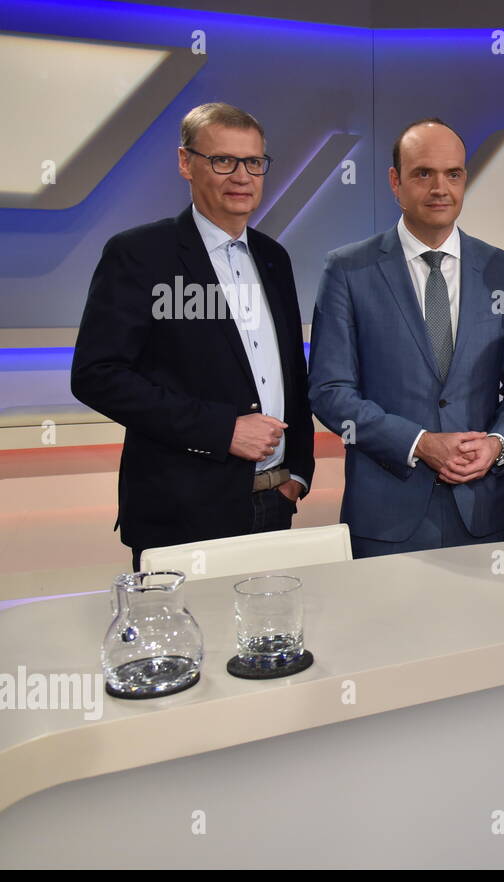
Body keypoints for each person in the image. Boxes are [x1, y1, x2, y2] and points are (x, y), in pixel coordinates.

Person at [71, 103, 314, 571]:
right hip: (181, 513)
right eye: (223, 160)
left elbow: (288, 373)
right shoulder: (139, 254)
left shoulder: (273, 257)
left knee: (265, 643)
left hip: (274, 503)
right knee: (187, 644)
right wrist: (222, 430)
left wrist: (298, 472)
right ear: (186, 163)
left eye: (254, 162)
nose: (242, 176)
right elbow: (96, 375)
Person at [308, 118, 504, 557]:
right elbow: (330, 391)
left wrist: (498, 444)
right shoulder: (348, 270)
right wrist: (418, 443)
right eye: (423, 173)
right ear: (395, 181)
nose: (439, 188)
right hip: (386, 515)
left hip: (481, 511)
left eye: (453, 174)